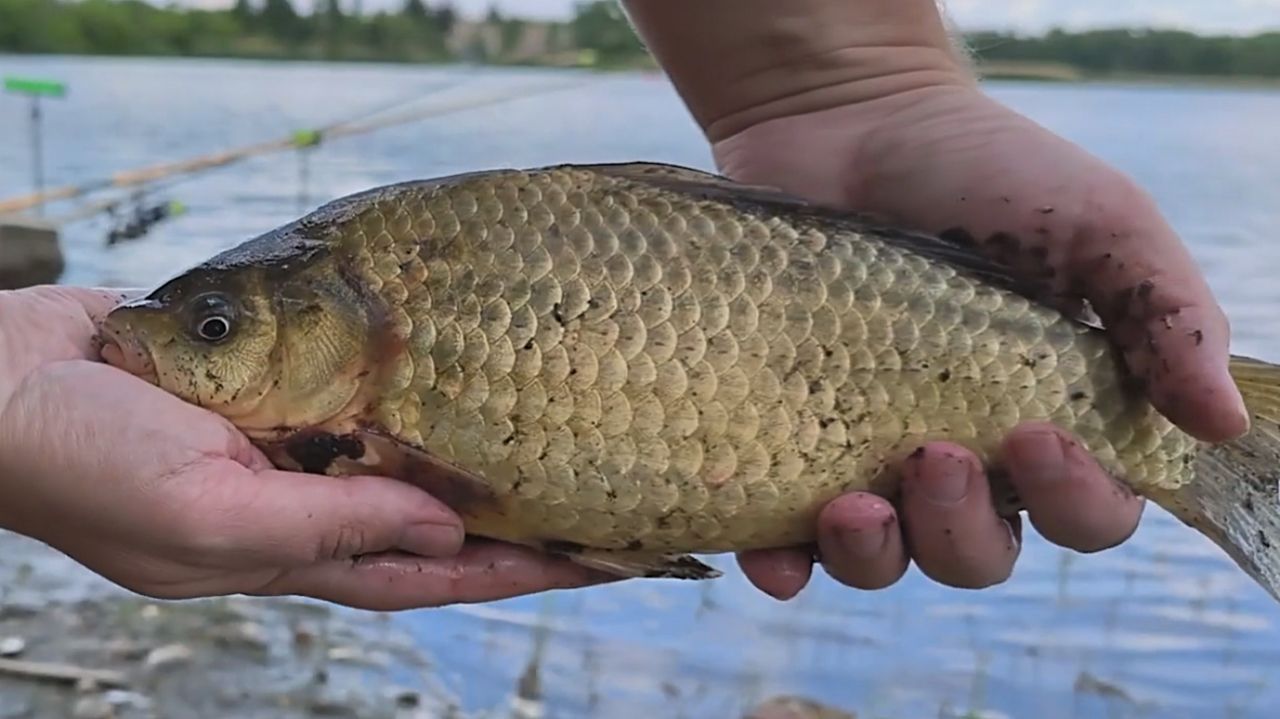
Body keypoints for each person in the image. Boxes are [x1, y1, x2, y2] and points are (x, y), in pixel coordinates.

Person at [0, 0, 1247, 610]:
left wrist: (857, 89)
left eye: (215, 327)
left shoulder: (398, 260)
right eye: (208, 327)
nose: (168, 342)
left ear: (352, 324)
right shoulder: (385, 260)